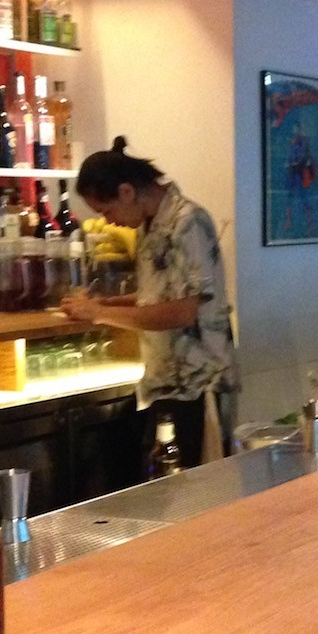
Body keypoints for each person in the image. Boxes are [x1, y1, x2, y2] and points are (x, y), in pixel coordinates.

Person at [60, 137, 239, 470]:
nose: (108, 221)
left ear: (127, 191)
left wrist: (100, 313)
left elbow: (183, 311)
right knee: (164, 484)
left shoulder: (187, 222)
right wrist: (108, 301)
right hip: (165, 383)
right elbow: (158, 295)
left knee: (196, 490)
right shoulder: (148, 224)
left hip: (198, 384)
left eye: (107, 210)